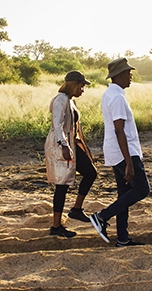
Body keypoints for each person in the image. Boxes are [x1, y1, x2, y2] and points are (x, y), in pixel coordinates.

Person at [89, 58, 150, 247]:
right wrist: (129, 163)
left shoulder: (110, 94)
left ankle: (122, 238)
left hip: (116, 152)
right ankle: (102, 216)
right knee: (142, 189)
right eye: (128, 73)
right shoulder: (117, 97)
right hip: (125, 153)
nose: (131, 76)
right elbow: (119, 130)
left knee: (124, 194)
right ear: (119, 75)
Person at [44, 70, 98, 238]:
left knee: (90, 173)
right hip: (61, 145)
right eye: (81, 86)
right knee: (62, 184)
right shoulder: (61, 100)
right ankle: (56, 226)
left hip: (71, 144)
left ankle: (76, 210)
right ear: (74, 85)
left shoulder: (69, 100)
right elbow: (57, 126)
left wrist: (83, 149)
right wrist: (64, 146)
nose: (83, 90)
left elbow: (74, 128)